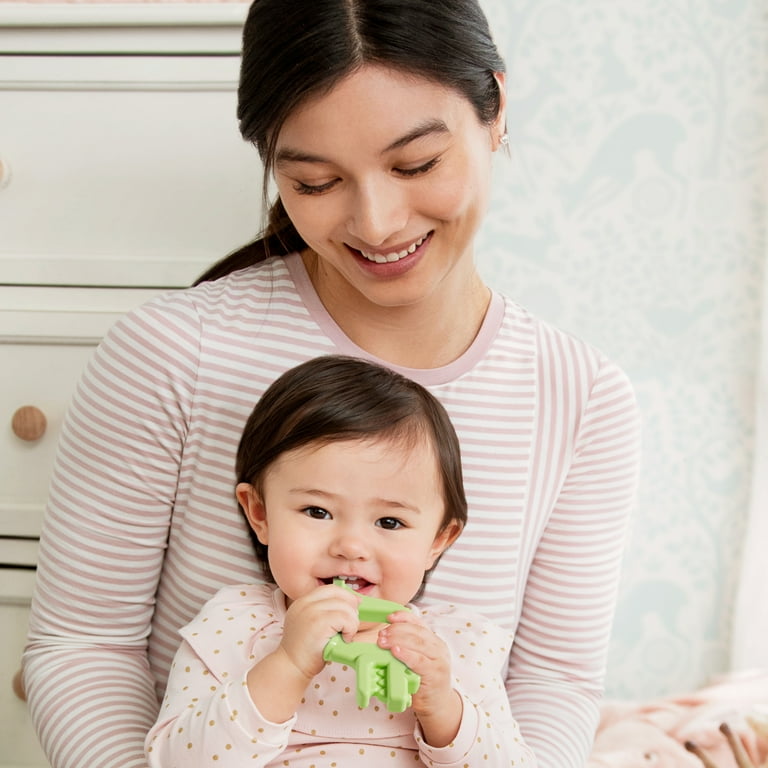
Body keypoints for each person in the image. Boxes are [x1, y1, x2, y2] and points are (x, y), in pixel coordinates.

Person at [22, 1, 642, 767]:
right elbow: (84, 646)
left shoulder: (581, 399)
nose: (377, 223)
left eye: (417, 165)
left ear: (496, 110)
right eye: (314, 182)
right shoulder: (172, 352)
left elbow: (554, 685)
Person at [144, 355, 530, 767]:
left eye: (389, 521)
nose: (350, 546)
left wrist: (444, 710)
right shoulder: (231, 626)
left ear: (438, 539)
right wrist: (288, 664)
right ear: (260, 514)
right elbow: (174, 761)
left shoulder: (456, 647)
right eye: (317, 512)